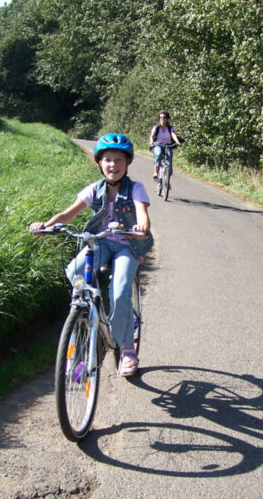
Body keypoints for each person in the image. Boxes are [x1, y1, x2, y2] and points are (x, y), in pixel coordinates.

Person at [29, 133, 153, 377]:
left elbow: (142, 214)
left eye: (119, 160)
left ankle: (127, 349)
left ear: (127, 164)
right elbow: (68, 214)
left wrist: (141, 227)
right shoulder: (94, 190)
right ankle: (87, 308)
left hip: (128, 245)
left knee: (119, 293)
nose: (113, 165)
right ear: (99, 163)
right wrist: (47, 225)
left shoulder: (136, 188)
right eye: (107, 160)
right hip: (100, 242)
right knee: (74, 270)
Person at [149, 110, 182, 179]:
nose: (162, 119)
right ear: (159, 118)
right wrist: (151, 141)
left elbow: (173, 135)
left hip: (168, 146)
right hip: (158, 145)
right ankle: (156, 173)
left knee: (169, 161)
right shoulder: (156, 128)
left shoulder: (170, 128)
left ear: (167, 119)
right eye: (161, 117)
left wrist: (178, 142)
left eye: (164, 117)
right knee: (158, 154)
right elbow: (152, 136)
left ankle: (167, 180)